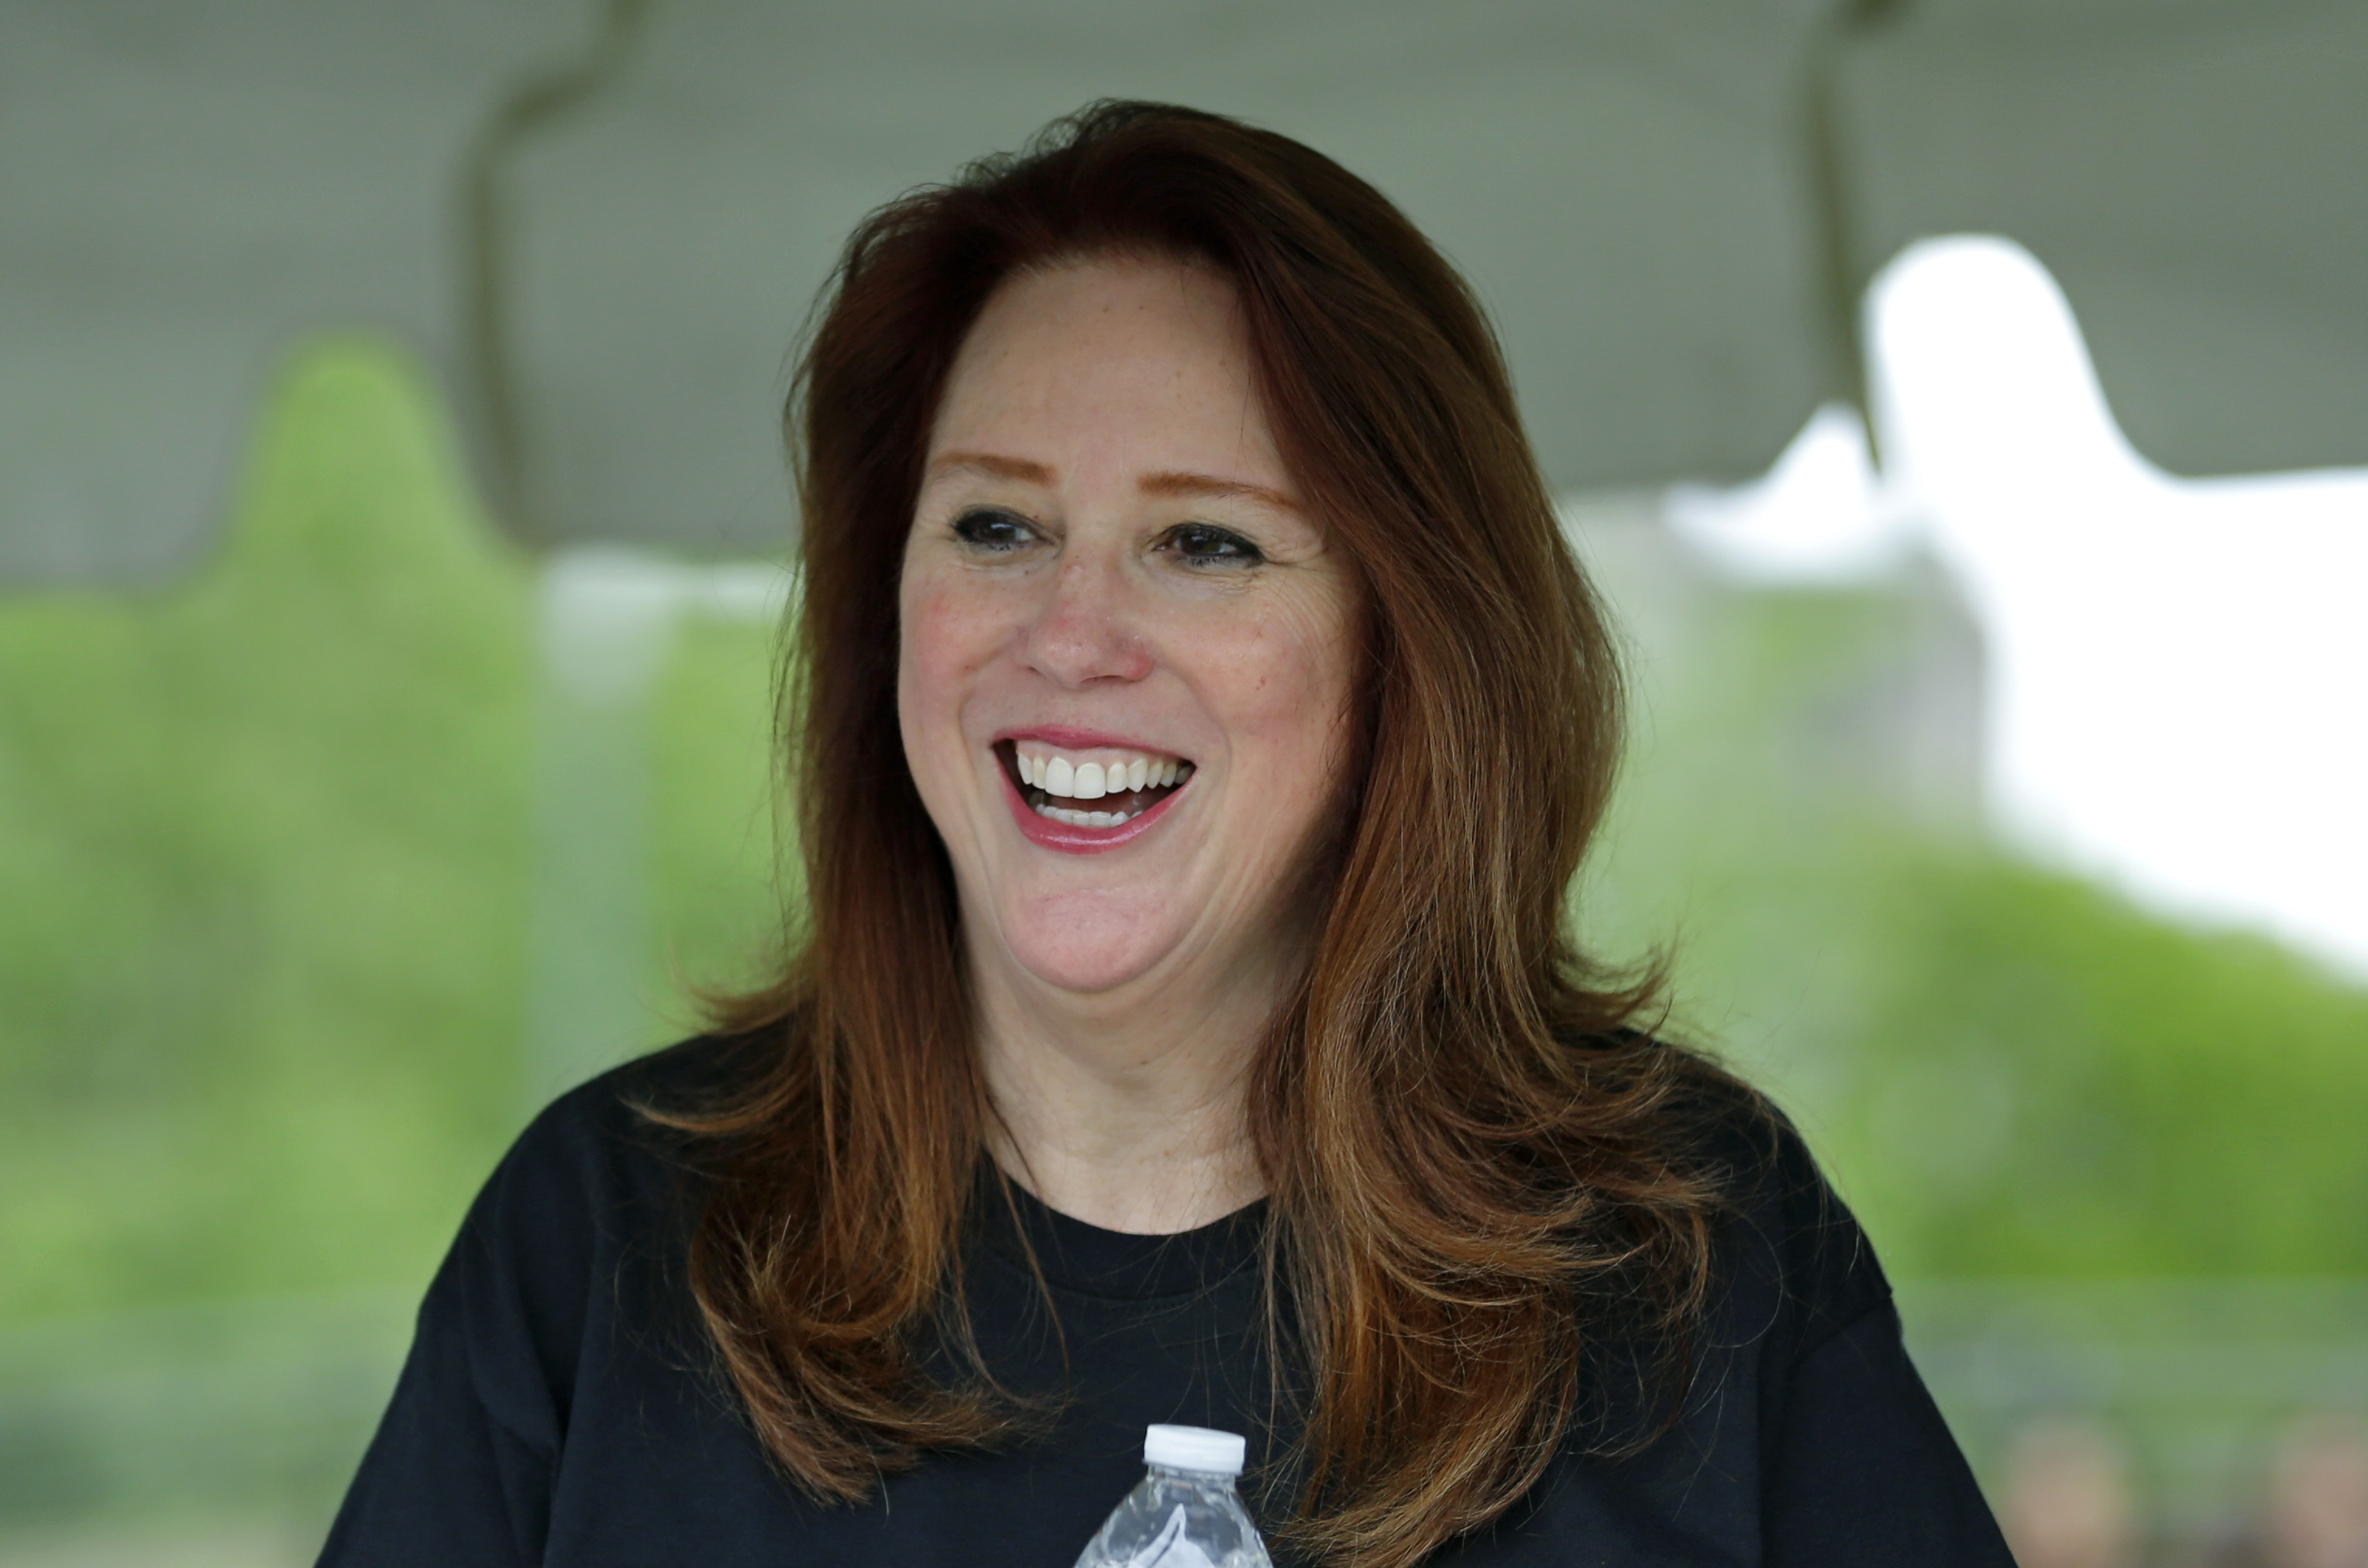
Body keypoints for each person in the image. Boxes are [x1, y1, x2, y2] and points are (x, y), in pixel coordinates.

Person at [319, 101, 2012, 1567]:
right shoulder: (606, 1245)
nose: (1070, 637)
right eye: (996, 525)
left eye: (1205, 544)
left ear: (1409, 648)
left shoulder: (1696, 1260)